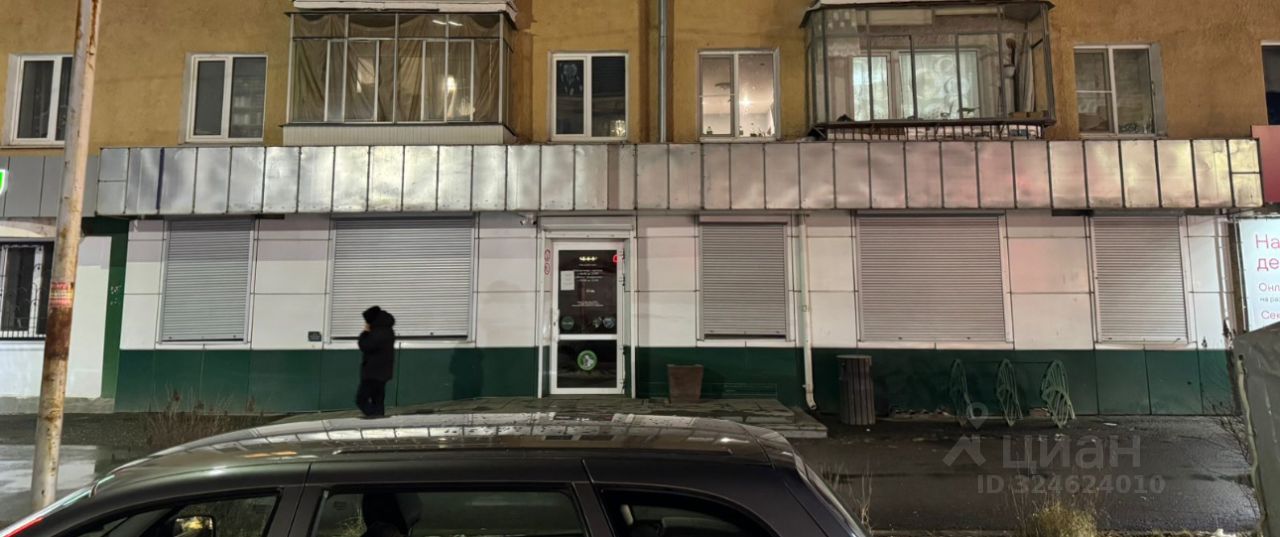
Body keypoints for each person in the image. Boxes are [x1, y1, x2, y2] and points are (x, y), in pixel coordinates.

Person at [356, 305, 396, 418]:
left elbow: (365, 345)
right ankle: (378, 418)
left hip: (373, 372)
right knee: (377, 399)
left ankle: (374, 416)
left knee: (361, 399)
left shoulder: (378, 332)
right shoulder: (387, 329)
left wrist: (365, 332)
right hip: (382, 371)